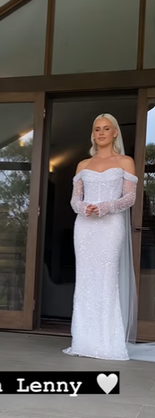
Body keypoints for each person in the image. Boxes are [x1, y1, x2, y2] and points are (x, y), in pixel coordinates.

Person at [63, 113, 152, 361]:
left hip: (110, 226)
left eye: (106, 128)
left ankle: (108, 342)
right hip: (85, 227)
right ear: (93, 134)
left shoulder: (125, 161)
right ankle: (83, 340)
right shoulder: (83, 165)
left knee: (106, 280)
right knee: (85, 281)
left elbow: (130, 199)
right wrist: (85, 209)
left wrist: (104, 207)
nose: (101, 133)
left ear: (115, 133)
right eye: (97, 129)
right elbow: (74, 200)